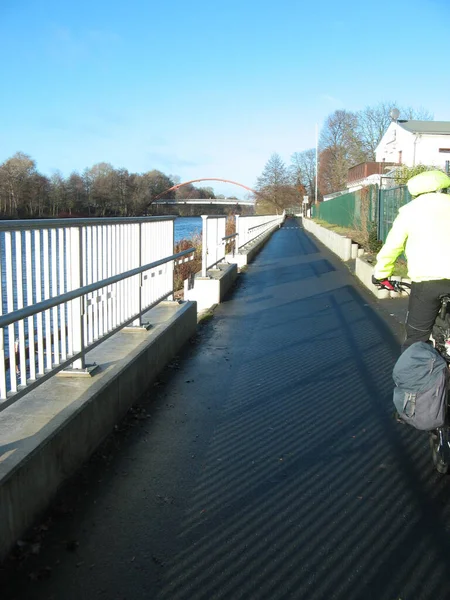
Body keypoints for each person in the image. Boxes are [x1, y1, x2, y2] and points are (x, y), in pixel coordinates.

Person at [372, 169, 450, 351]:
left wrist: (381, 274)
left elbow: (393, 246)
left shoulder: (409, 211)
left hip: (427, 282)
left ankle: (416, 376)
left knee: (416, 338)